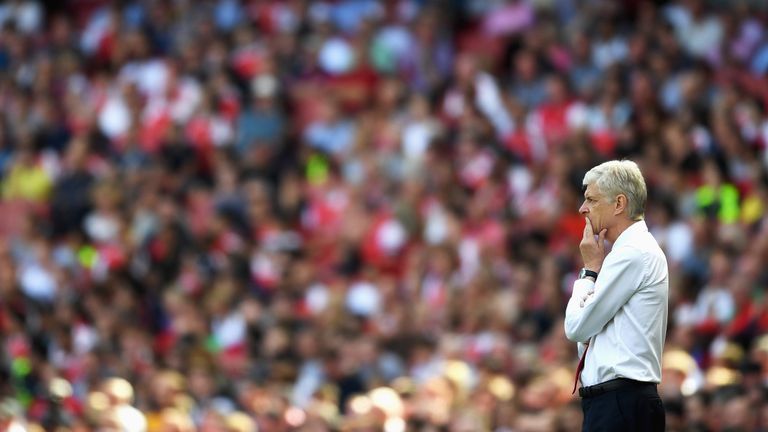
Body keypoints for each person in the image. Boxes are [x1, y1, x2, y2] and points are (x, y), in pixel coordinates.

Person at [564, 159, 668, 431]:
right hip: (615, 403)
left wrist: (589, 272)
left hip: (622, 404)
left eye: (591, 199)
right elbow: (586, 340)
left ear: (619, 204)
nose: (582, 208)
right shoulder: (625, 252)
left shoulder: (633, 252)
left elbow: (576, 328)